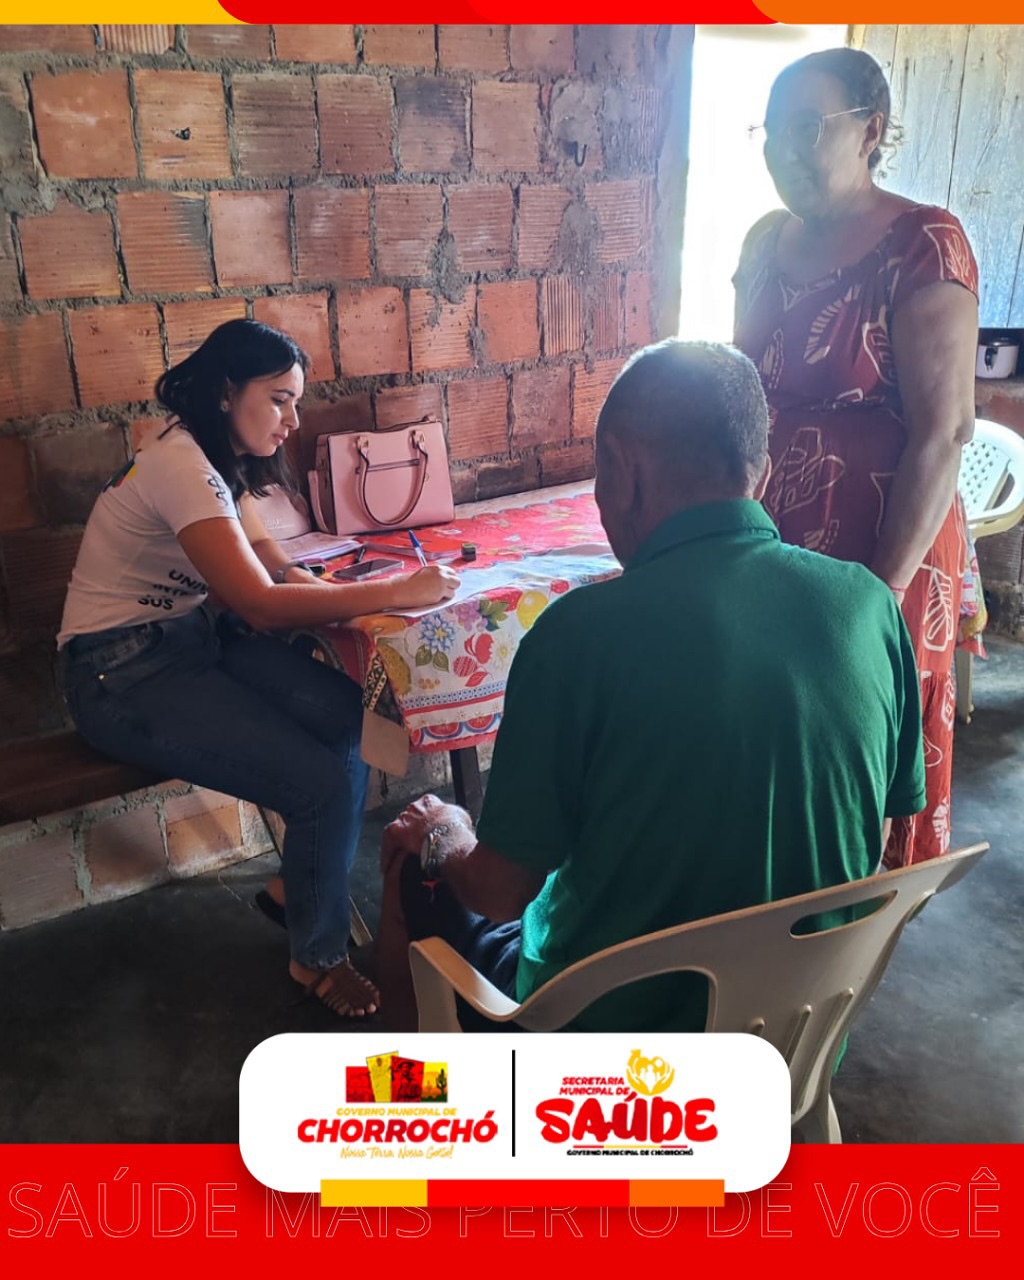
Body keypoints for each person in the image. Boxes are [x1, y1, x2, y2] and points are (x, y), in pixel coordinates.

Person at [373, 339, 926, 1033]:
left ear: (623, 474)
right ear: (760, 475)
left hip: (606, 1051)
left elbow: (498, 893)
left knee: (412, 859)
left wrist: (447, 832)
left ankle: (410, 1092)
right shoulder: (868, 604)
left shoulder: (575, 637)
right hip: (796, 1026)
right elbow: (877, 832)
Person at [57, 319, 458, 1018]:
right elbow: (260, 605)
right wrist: (397, 590)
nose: (292, 420)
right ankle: (317, 958)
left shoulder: (214, 456)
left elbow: (269, 560)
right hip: (119, 671)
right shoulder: (181, 465)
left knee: (349, 719)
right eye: (278, 400)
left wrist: (325, 590)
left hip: (192, 638)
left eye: (294, 402)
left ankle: (293, 890)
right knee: (319, 785)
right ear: (225, 392)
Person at [733, 47, 979, 867]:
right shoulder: (764, 242)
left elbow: (943, 434)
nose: (785, 149)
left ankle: (854, 928)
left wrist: (879, 596)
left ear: (871, 131)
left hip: (885, 553)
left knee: (861, 741)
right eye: (773, 130)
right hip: (773, 548)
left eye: (809, 126)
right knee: (774, 727)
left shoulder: (923, 245)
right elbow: (741, 394)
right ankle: (767, 912)